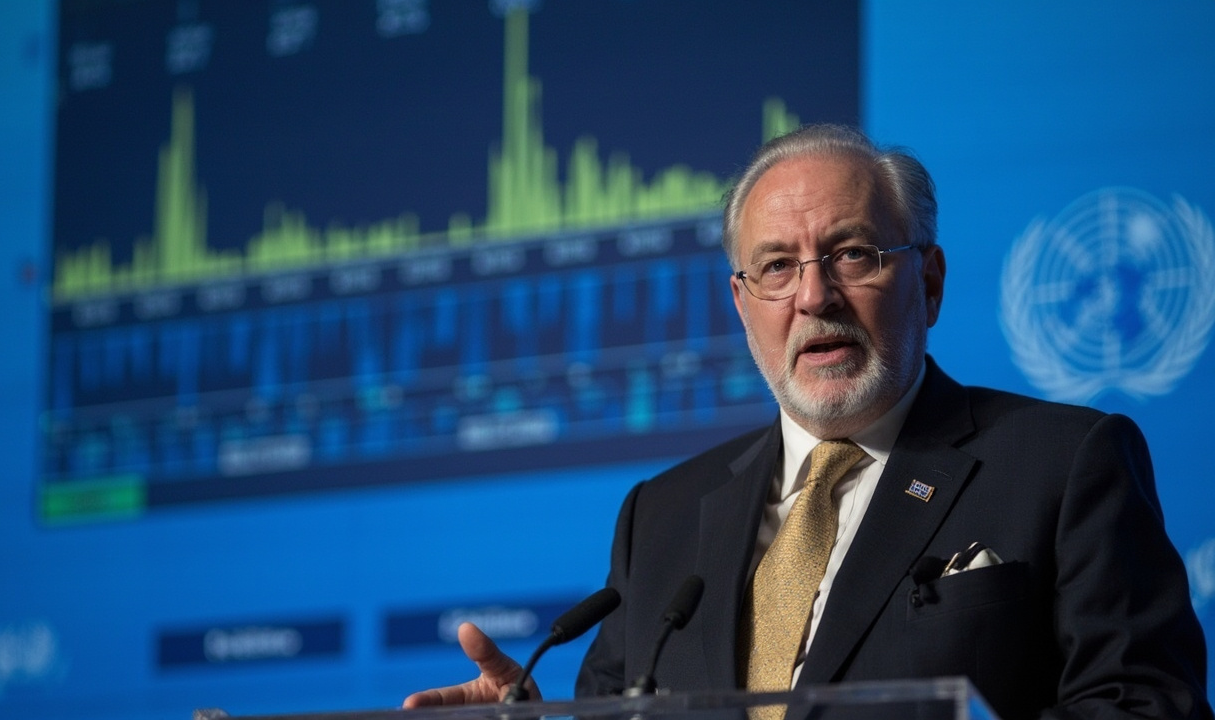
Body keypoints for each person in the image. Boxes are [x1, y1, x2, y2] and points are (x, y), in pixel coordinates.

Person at [403, 125, 1213, 720]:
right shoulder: (661, 518)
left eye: (854, 254)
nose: (813, 296)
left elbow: (1144, 708)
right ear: (741, 302)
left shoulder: (1064, 462)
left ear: (927, 283)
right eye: (777, 266)